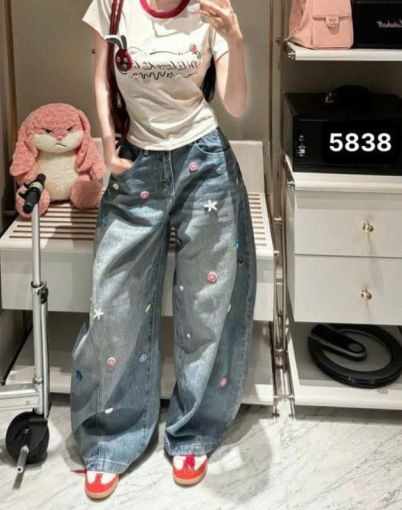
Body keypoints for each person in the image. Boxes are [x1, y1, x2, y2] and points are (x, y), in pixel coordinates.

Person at [71, 0, 256, 500]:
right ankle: (110, 435)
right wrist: (106, 143)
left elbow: (236, 104)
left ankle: (195, 428)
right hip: (135, 164)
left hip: (204, 163)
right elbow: (102, 79)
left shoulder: (212, 8)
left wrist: (235, 39)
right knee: (114, 303)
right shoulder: (112, 5)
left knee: (207, 304)